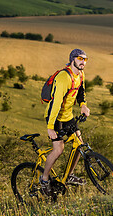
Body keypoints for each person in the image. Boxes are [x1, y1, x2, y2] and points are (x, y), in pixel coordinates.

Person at [40, 48, 90, 195]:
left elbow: (81, 92)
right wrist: (50, 127)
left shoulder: (80, 75)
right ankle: (44, 179)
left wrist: (83, 105)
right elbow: (55, 104)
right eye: (80, 59)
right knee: (59, 149)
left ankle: (69, 176)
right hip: (55, 118)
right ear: (72, 59)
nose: (83, 62)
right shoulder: (64, 77)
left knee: (79, 144)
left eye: (85, 60)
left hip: (68, 116)